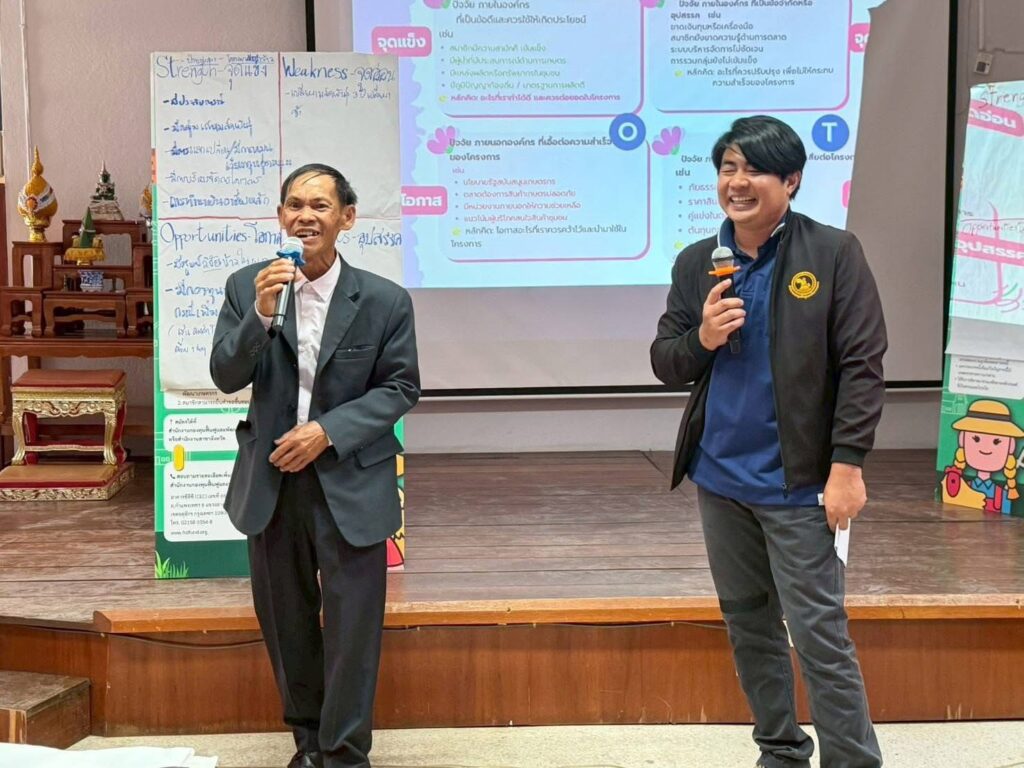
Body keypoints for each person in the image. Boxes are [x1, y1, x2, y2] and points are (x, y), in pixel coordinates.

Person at [650, 116, 886, 768]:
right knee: (749, 626)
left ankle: (853, 761)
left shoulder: (832, 253)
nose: (737, 181)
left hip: (800, 484)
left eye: (754, 169)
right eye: (728, 168)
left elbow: (863, 366)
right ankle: (780, 751)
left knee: (818, 635)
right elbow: (666, 360)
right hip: (720, 481)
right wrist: (702, 338)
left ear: (792, 180)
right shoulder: (698, 263)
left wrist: (848, 466)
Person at [210, 163, 420, 768]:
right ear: (281, 216)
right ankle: (307, 746)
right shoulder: (247, 286)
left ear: (346, 218)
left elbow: (400, 387)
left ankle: (346, 752)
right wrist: (260, 314)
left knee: (353, 629)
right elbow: (225, 374)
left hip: (351, 481)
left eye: (320, 206)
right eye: (295, 205)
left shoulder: (383, 300)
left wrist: (327, 432)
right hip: (272, 481)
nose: (306, 216)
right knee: (287, 623)